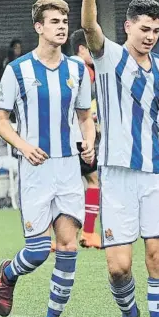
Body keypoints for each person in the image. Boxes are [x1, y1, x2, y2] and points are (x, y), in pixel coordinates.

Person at [81, 0, 159, 317]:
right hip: (116, 175)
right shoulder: (108, 56)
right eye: (144, 29)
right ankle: (129, 313)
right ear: (128, 26)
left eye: (156, 31)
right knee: (118, 268)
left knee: (158, 257)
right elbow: (90, 27)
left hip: (155, 172)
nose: (150, 36)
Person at [0, 0, 95, 317]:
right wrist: (23, 146)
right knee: (37, 252)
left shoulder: (78, 69)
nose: (62, 26)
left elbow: (85, 116)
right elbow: (0, 120)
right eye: (54, 21)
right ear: (39, 27)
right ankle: (8, 272)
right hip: (35, 169)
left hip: (67, 169)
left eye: (64, 22)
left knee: (68, 248)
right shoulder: (17, 70)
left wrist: (89, 142)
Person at [69, 28, 101, 249]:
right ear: (82, 48)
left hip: (61, 136)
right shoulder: (82, 68)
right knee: (93, 181)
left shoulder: (62, 64)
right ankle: (88, 233)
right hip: (78, 137)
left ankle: (52, 238)